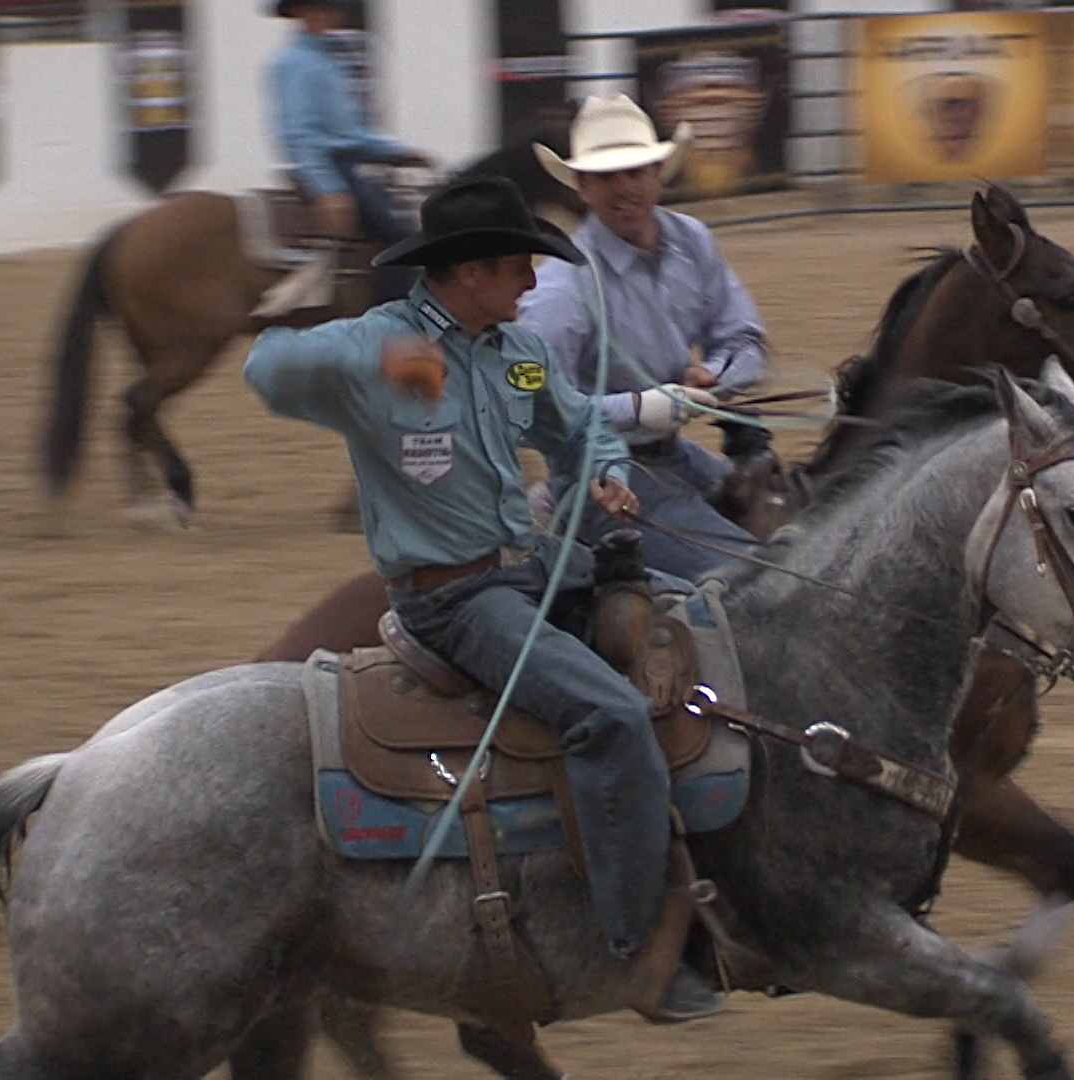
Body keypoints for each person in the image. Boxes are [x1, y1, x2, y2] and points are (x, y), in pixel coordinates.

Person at [242, 174, 722, 1023]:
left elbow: (579, 427)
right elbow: (266, 365)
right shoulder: (377, 343)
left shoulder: (517, 352)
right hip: (453, 600)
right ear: (468, 273)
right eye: (518, 269)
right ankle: (633, 947)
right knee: (606, 714)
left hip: (531, 566)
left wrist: (605, 473)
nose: (534, 283)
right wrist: (373, 359)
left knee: (697, 611)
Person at [521, 94, 769, 580]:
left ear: (658, 172)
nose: (625, 188)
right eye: (606, 176)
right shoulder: (560, 288)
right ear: (582, 188)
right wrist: (642, 408)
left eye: (635, 171)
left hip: (675, 457)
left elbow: (745, 339)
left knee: (806, 528)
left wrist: (715, 376)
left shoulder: (693, 241)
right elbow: (536, 407)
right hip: (597, 482)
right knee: (755, 574)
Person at [266, 1, 431, 251]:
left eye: (328, 9)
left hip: (348, 163)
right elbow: (298, 132)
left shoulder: (328, 59)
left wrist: (397, 151)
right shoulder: (295, 63)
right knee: (400, 238)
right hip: (330, 167)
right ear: (298, 14)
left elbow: (349, 132)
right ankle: (395, 291)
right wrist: (327, 187)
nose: (324, 15)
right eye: (316, 9)